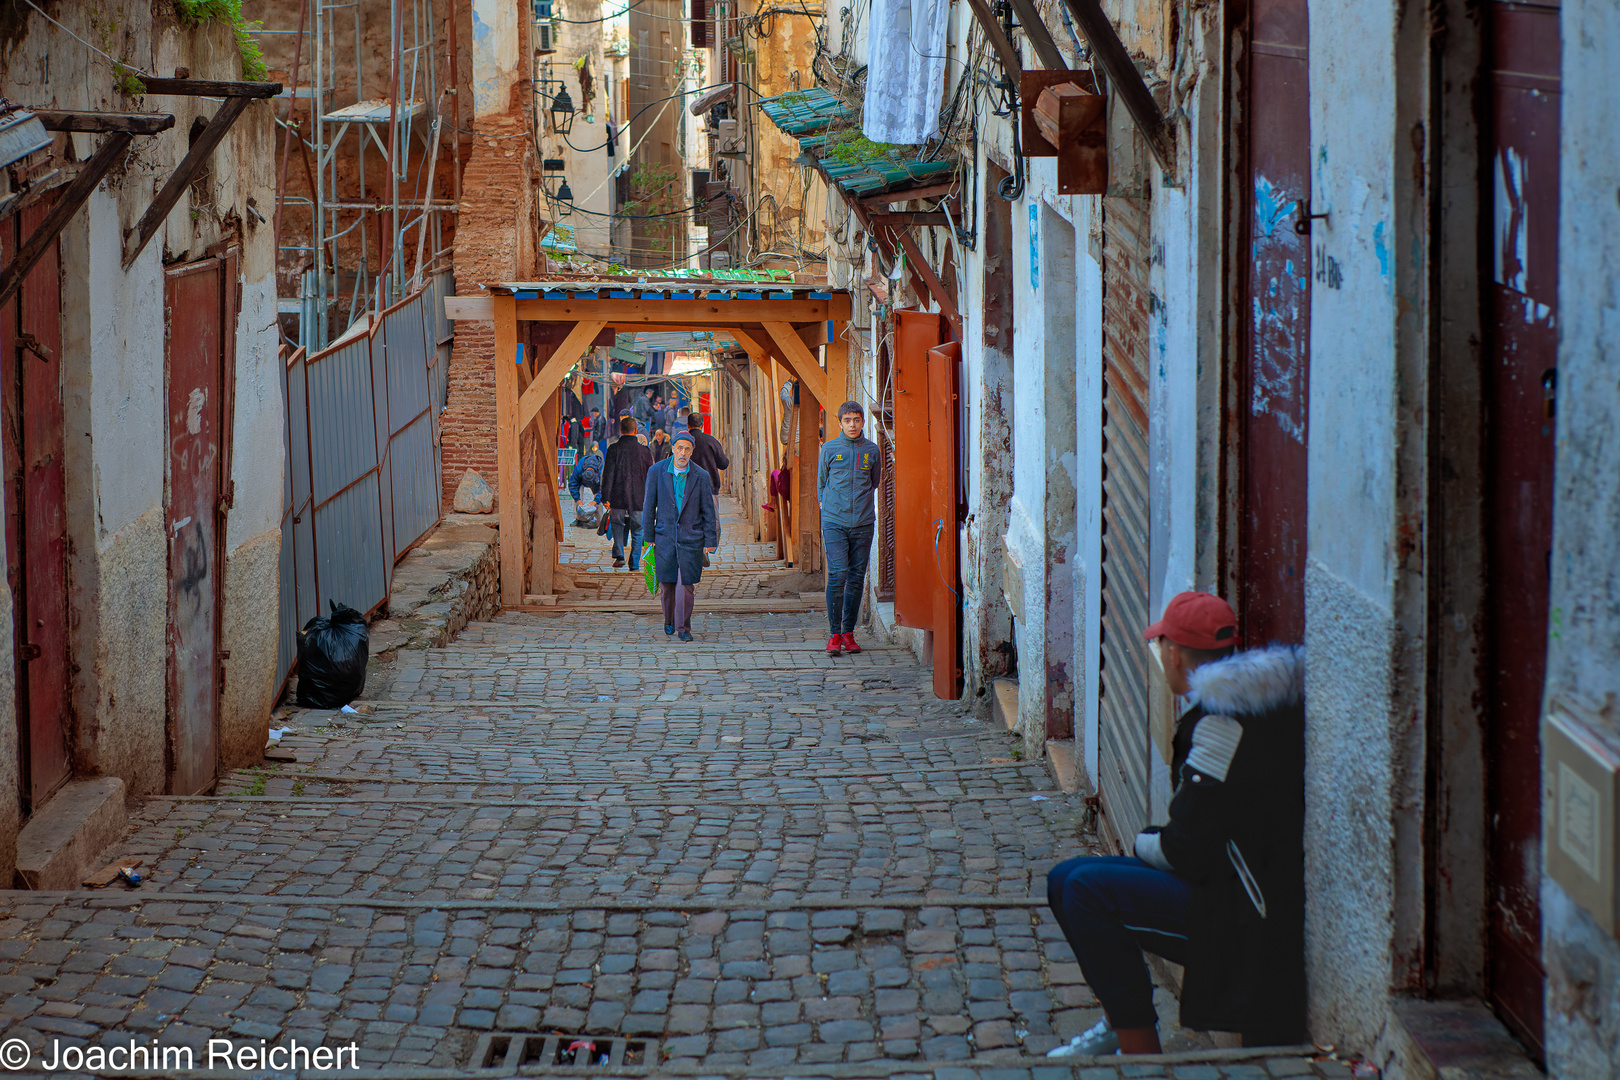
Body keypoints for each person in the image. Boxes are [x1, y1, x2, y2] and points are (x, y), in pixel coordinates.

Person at [1045, 591, 1306, 1055]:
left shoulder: (1223, 725)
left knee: (1085, 890)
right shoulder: (1246, 706)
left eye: (1161, 648)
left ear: (1176, 654)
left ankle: (1138, 1049)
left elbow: (1182, 849)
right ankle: (1116, 1026)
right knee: (1064, 878)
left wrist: (1143, 842)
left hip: (1242, 917)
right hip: (1224, 888)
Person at [816, 401, 882, 656]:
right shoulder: (830, 449)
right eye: (847, 420)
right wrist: (829, 508)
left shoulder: (872, 450)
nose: (852, 425)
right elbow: (822, 482)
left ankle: (848, 633)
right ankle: (834, 634)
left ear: (863, 422)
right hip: (834, 522)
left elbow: (874, 482)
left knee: (855, 578)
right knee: (838, 574)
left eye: (856, 420)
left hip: (863, 523)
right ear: (840, 422)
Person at [641, 431, 718, 641]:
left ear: (692, 452)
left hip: (691, 538)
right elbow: (649, 506)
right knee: (667, 585)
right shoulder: (656, 472)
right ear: (673, 448)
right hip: (664, 536)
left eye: (687, 449)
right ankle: (669, 620)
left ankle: (684, 628)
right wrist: (648, 537)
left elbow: (708, 510)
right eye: (679, 448)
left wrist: (711, 540)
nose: (683, 452)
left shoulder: (701, 475)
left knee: (686, 585)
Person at [601, 416, 653, 569]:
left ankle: (619, 555)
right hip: (639, 497)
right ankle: (635, 563)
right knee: (638, 530)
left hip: (618, 496)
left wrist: (605, 497)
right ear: (636, 431)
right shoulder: (644, 451)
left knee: (617, 525)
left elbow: (608, 474)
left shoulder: (614, 449)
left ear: (620, 431)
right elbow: (650, 476)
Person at [568, 441, 604, 527]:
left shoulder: (601, 472)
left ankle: (599, 520)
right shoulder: (579, 468)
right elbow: (573, 484)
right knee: (578, 498)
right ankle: (578, 518)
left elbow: (603, 489)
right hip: (581, 481)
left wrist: (596, 500)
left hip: (596, 483)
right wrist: (577, 499)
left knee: (598, 501)